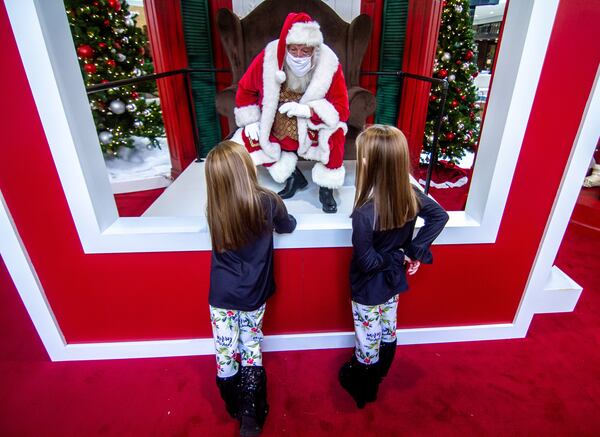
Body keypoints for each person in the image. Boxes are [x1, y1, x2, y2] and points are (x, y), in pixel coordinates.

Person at [338, 125, 449, 408]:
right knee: (387, 329)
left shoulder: (365, 213)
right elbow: (438, 216)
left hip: (368, 286)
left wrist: (404, 255)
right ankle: (380, 374)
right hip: (392, 280)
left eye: (362, 156)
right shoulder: (409, 193)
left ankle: (365, 389)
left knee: (368, 338)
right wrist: (411, 252)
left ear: (369, 163)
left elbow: (366, 261)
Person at [205, 140, 297, 435]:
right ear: (247, 168)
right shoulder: (268, 201)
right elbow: (288, 225)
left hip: (222, 293)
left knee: (225, 350)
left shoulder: (214, 208)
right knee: (251, 345)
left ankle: (232, 403)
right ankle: (251, 412)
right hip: (253, 293)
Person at [231, 12, 349, 213]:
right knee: (245, 139)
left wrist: (308, 111)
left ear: (315, 49)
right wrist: (250, 120)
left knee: (336, 133)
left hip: (311, 126)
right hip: (277, 123)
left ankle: (326, 187)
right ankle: (293, 176)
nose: (298, 56)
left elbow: (342, 110)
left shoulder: (329, 64)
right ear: (285, 46)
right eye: (293, 50)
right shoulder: (269, 57)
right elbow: (245, 89)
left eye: (305, 51)